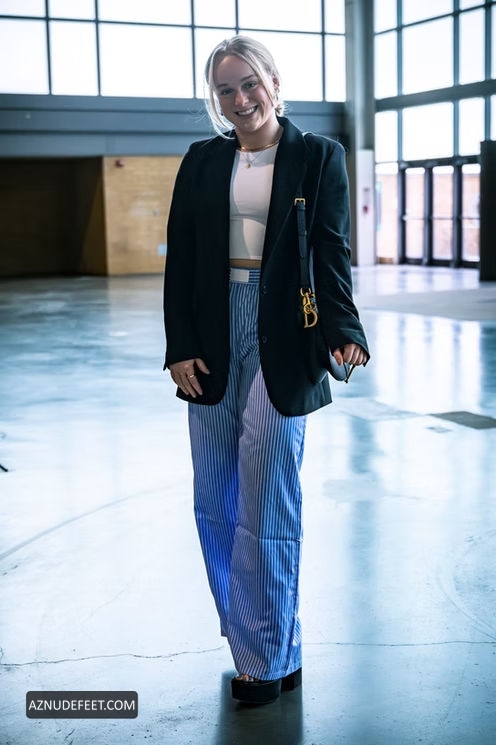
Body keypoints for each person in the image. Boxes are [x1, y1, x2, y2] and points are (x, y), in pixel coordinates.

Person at [163, 35, 369, 706]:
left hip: (285, 332)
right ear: (215, 99)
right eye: (225, 89)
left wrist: (344, 331)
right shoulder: (201, 160)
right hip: (213, 333)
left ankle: (266, 657)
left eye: (249, 82)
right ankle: (268, 639)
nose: (240, 98)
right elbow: (180, 259)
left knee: (268, 496)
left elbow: (331, 252)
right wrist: (179, 345)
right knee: (215, 498)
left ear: (274, 82)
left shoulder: (318, 156)